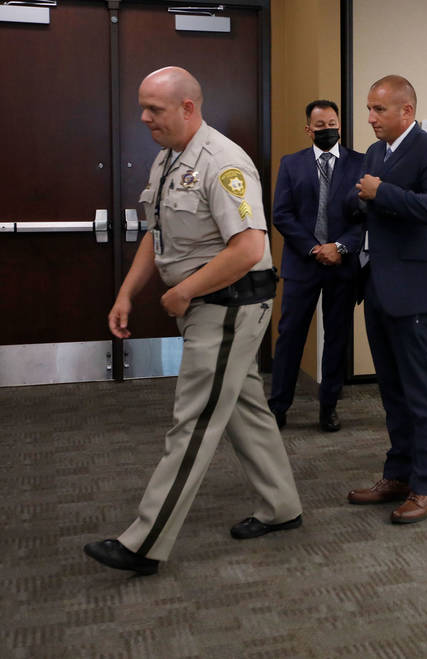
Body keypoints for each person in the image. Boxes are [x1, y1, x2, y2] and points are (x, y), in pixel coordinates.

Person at [84, 67, 302, 575]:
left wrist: (183, 290)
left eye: (154, 109)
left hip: (228, 308)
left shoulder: (223, 162)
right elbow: (156, 234)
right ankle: (282, 506)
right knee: (245, 408)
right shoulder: (168, 160)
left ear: (187, 107)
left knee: (195, 420)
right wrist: (127, 292)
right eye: (143, 107)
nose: (144, 118)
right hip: (207, 306)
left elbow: (250, 247)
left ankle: (144, 543)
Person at [342, 76, 427, 524]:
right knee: (390, 390)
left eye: (379, 110)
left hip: (413, 287)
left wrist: (379, 193)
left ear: (407, 111)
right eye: (369, 109)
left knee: (420, 390)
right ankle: (398, 474)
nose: (370, 118)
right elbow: (375, 206)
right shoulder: (376, 152)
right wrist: (361, 204)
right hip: (378, 284)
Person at [267, 100, 364, 432]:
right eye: (320, 126)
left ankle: (329, 406)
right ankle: (278, 405)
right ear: (308, 129)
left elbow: (364, 217)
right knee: (290, 336)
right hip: (302, 264)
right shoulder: (291, 164)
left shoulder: (360, 164)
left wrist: (339, 247)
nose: (327, 130)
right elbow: (282, 214)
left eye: (332, 123)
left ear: (340, 125)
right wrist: (313, 248)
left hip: (342, 265)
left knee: (337, 338)